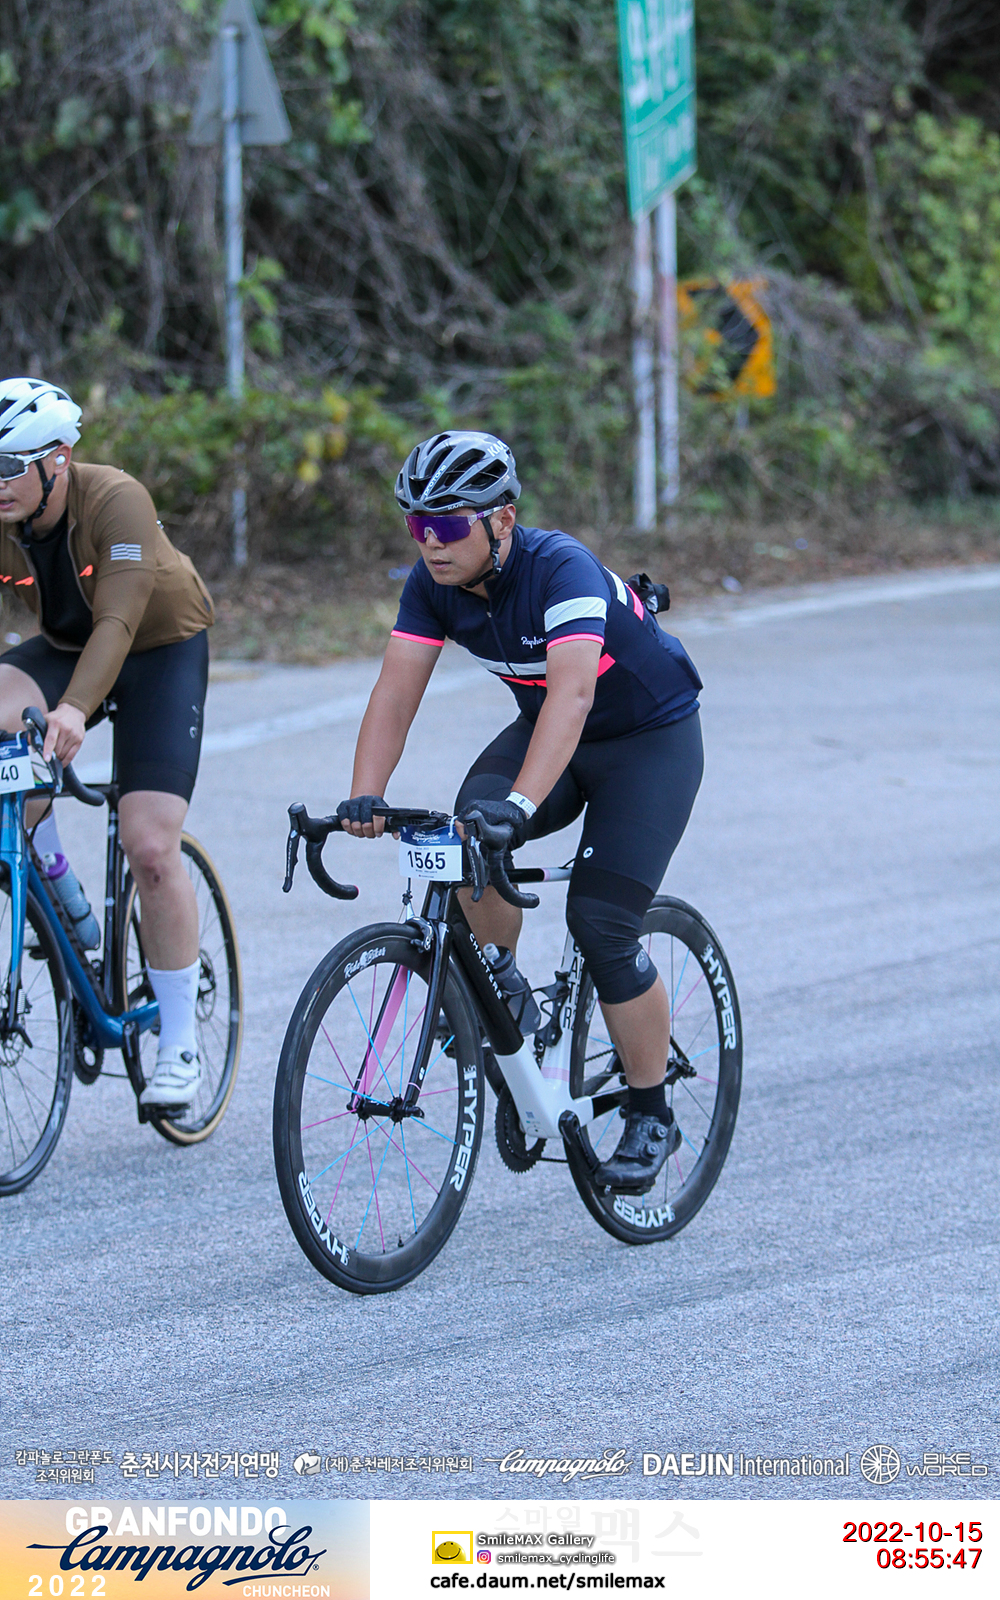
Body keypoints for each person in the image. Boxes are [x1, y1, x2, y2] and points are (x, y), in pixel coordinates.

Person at [337, 430, 705, 1193]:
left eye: (447, 525)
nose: (430, 542)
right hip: (551, 731)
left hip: (647, 743)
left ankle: (650, 1111)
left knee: (601, 925)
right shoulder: (432, 584)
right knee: (466, 836)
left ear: (502, 519)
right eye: (417, 524)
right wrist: (364, 793)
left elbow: (573, 695)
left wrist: (522, 804)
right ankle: (501, 987)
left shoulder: (561, 569)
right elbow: (396, 691)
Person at [0, 377, 215, 1107]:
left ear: (58, 459)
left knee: (149, 846)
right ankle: (51, 869)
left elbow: (119, 621)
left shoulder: (117, 499)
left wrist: (73, 710)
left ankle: (178, 1045)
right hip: (67, 644)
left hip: (159, 649)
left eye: (10, 466)